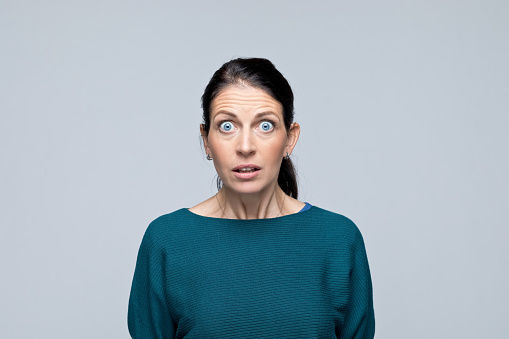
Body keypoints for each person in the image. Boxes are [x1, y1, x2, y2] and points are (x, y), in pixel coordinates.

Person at [128, 58, 375, 338]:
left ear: (290, 139)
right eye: (227, 126)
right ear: (206, 139)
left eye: (265, 126)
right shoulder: (167, 241)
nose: (245, 147)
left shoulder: (339, 239)